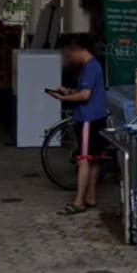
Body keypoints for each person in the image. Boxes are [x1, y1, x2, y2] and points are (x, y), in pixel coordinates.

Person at [48, 34, 107, 215]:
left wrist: (64, 97)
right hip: (98, 116)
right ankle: (91, 196)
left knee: (83, 159)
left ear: (76, 49)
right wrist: (69, 90)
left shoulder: (90, 68)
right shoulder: (93, 66)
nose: (68, 58)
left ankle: (79, 201)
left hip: (88, 118)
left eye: (68, 54)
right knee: (94, 159)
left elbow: (85, 96)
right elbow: (84, 91)